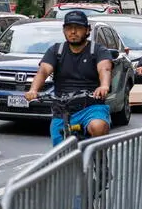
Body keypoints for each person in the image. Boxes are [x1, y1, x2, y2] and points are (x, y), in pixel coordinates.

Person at [24, 10, 113, 146]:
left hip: (91, 107)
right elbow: (43, 71)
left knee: (98, 127)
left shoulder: (98, 50)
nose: (73, 32)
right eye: (69, 28)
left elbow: (104, 68)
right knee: (59, 153)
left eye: (78, 28)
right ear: (64, 30)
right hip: (62, 109)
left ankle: (99, 161)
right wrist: (33, 90)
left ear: (87, 30)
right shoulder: (56, 51)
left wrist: (104, 86)